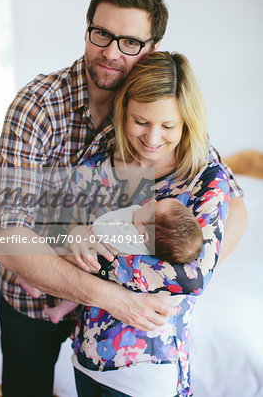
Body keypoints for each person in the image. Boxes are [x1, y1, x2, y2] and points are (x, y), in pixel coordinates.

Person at [0, 0, 247, 397]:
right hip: (32, 299)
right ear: (86, 30)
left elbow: (233, 204)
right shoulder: (37, 106)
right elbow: (2, 235)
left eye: (129, 42)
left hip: (114, 327)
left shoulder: (156, 114)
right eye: (100, 34)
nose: (110, 52)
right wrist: (114, 294)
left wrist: (180, 276)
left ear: (151, 50)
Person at [66, 51, 231, 397]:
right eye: (141, 121)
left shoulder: (205, 180)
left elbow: (191, 276)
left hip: (149, 368)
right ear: (123, 110)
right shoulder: (95, 169)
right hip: (86, 357)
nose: (153, 138)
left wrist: (96, 258)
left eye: (168, 126)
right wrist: (73, 237)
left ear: (187, 121)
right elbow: (60, 247)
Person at [18, 196, 203, 324]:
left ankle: (36, 285)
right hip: (104, 276)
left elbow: (101, 228)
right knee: (80, 292)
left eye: (150, 208)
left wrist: (93, 229)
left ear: (144, 237)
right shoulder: (150, 244)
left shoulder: (131, 237)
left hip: (95, 266)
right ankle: (59, 311)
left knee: (58, 255)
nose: (150, 202)